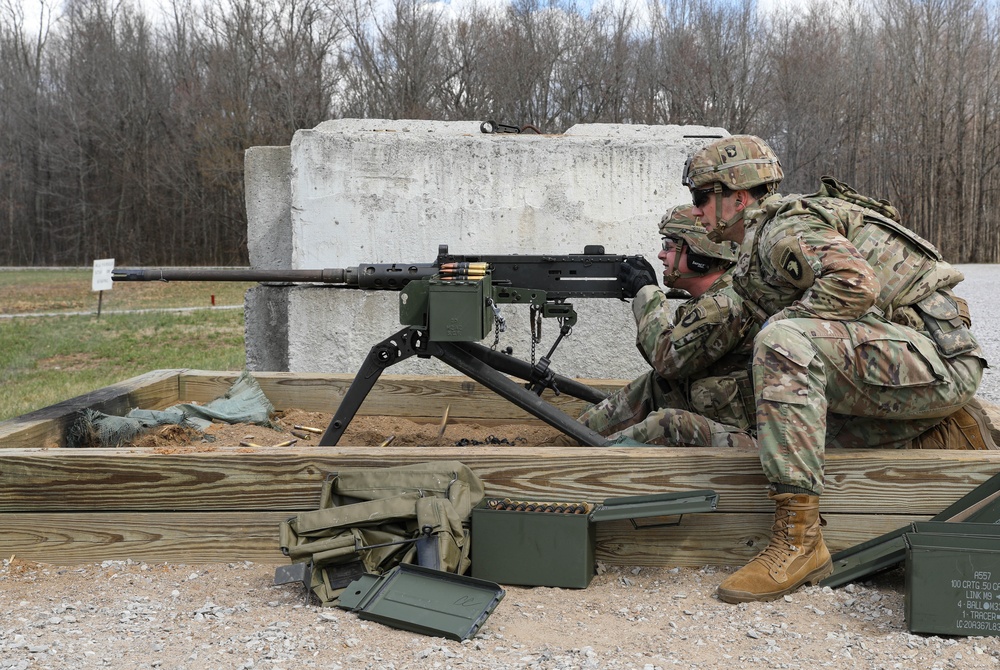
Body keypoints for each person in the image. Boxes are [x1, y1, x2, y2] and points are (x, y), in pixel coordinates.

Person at [682, 135, 991, 603]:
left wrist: (782, 326)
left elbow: (855, 284)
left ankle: (799, 542)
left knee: (783, 344)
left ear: (737, 197)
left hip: (939, 361)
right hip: (910, 359)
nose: (697, 210)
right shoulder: (754, 251)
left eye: (701, 197)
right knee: (771, 398)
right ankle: (934, 433)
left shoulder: (784, 230)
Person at [585, 206, 758, 448]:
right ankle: (573, 437)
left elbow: (666, 358)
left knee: (669, 423)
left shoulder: (723, 304)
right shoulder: (719, 295)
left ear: (700, 253)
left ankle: (582, 464)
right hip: (726, 428)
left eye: (669, 246)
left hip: (755, 444)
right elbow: (667, 372)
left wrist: (647, 294)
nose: (660, 255)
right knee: (655, 384)